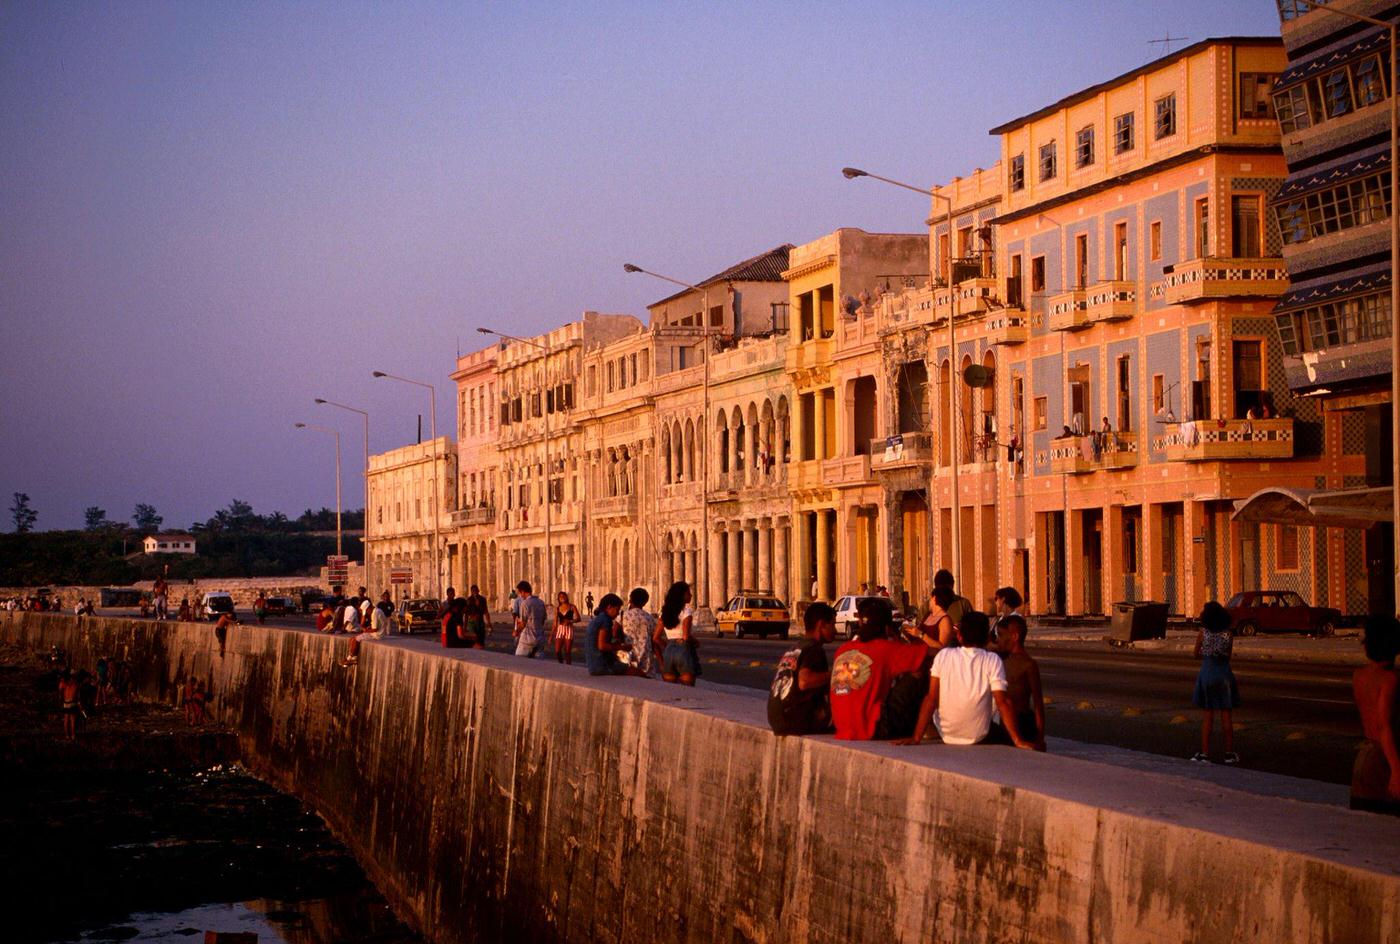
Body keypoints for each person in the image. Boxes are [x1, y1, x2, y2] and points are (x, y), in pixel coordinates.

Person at [898, 611, 1034, 749]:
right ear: (987, 638)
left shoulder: (944, 655)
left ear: (959, 636)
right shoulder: (992, 659)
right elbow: (1003, 702)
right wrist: (1017, 740)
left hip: (946, 733)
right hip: (979, 734)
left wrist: (916, 737)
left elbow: (931, 698)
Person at [830, 597, 931, 740]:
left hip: (843, 728)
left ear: (861, 623)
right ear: (886, 627)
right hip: (872, 728)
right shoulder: (887, 649)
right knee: (917, 672)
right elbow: (929, 655)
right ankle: (923, 726)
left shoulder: (842, 650)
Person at [1351, 615, 1400, 815]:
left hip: (1365, 758)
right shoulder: (1391, 679)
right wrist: (1397, 770)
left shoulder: (1359, 676)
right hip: (1386, 761)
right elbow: (1384, 726)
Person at [768, 601, 836, 736]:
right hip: (794, 720)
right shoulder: (814, 649)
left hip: (777, 719)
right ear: (821, 625)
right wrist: (835, 674)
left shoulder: (796, 647)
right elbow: (805, 681)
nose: (834, 630)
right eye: (832, 624)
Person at [1191, 601, 1240, 764]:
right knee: (1226, 717)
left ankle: (1205, 754)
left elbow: (1195, 654)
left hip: (1207, 673)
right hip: (1224, 674)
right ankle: (1229, 753)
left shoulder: (1203, 633)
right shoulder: (1228, 634)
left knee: (1208, 717)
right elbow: (1228, 656)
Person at [996, 615, 1045, 750]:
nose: (998, 640)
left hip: (1023, 720)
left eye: (1000, 635)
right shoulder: (999, 659)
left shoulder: (1028, 664)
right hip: (1004, 721)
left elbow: (1038, 703)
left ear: (1014, 637)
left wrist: (1040, 736)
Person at [658, 581, 698, 686]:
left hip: (668, 652)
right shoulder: (686, 611)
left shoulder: (664, 612)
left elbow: (655, 637)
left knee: (671, 690)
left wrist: (668, 646)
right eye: (688, 593)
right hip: (683, 650)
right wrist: (695, 642)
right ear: (681, 596)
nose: (691, 595)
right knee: (687, 690)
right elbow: (685, 636)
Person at [583, 594, 633, 676]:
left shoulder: (598, 618)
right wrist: (622, 647)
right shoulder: (606, 620)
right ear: (609, 607)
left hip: (593, 665)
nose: (617, 614)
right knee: (637, 672)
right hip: (601, 666)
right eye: (617, 610)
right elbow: (602, 646)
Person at [620, 587, 658, 678]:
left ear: (630, 599)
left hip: (628, 657)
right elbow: (654, 640)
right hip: (646, 658)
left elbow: (614, 633)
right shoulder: (650, 618)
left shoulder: (623, 616)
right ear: (645, 602)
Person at [513, 581, 547, 658]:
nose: (520, 596)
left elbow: (523, 623)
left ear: (523, 591)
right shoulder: (541, 602)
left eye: (520, 593)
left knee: (519, 661)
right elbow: (543, 620)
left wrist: (516, 631)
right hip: (540, 638)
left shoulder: (525, 604)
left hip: (527, 640)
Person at [553, 592, 580, 665]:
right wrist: (551, 635)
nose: (562, 598)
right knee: (557, 650)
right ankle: (561, 664)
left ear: (566, 597)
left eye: (563, 596)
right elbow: (555, 623)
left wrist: (570, 621)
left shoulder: (572, 607)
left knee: (567, 651)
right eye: (560, 597)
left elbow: (578, 618)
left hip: (569, 629)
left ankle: (568, 667)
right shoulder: (557, 608)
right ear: (558, 599)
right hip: (560, 629)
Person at [57, 670, 81, 740]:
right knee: (72, 721)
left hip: (66, 703)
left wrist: (60, 703)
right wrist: (80, 705)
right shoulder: (76, 684)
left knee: (66, 720)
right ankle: (73, 735)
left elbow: (60, 696)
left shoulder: (62, 684)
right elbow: (78, 696)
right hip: (73, 703)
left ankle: (67, 735)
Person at [463, 584, 489, 648]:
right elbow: (466, 614)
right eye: (473, 591)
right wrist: (465, 627)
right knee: (474, 638)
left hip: (480, 621)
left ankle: (481, 648)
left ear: (478, 591)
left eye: (476, 591)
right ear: (471, 592)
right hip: (472, 622)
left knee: (481, 638)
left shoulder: (482, 599)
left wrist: (488, 622)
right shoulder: (469, 600)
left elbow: (486, 611)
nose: (475, 592)